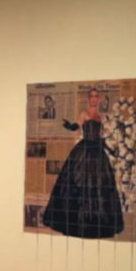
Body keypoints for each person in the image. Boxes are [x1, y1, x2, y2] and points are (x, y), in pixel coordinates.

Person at [41, 87, 124, 238]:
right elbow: (76, 126)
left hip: (97, 152)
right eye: (91, 96)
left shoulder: (100, 116)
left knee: (100, 186)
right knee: (78, 183)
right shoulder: (84, 114)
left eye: (95, 96)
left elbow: (100, 138)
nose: (93, 99)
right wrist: (69, 126)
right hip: (84, 151)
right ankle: (77, 221)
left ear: (98, 99)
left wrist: (111, 151)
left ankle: (95, 221)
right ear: (88, 98)